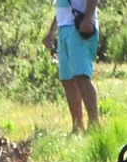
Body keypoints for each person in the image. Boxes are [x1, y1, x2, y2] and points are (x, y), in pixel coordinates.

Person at [41, 0, 98, 134]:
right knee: (67, 80)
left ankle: (94, 126)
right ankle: (77, 127)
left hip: (79, 26)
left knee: (81, 77)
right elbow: (63, 8)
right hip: (64, 28)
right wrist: (52, 31)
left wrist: (88, 18)